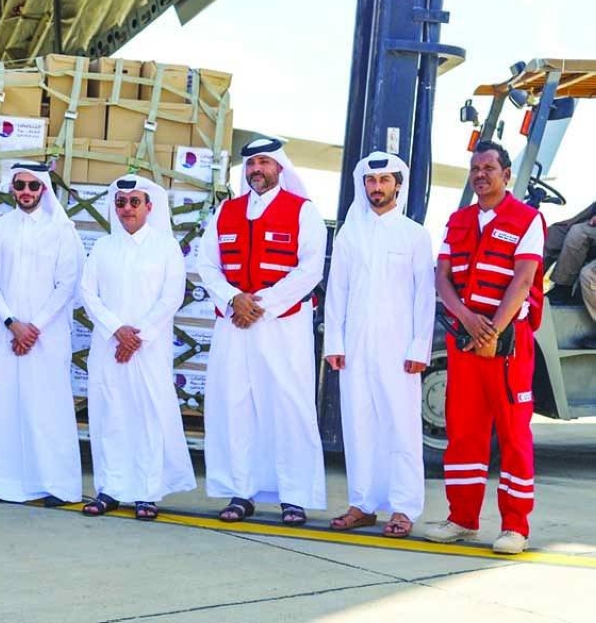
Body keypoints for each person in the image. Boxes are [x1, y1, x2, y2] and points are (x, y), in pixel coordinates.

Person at [197, 137, 327, 526]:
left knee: (289, 407)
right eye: (251, 164)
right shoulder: (227, 211)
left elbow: (309, 270)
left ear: (280, 168)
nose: (257, 170)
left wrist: (260, 305)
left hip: (282, 326)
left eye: (265, 163)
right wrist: (235, 299)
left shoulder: (303, 211)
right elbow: (207, 265)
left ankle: (294, 497)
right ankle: (241, 492)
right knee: (234, 406)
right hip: (234, 325)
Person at [424, 140, 546, 555]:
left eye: (489, 167)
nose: (480, 174)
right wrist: (467, 319)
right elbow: (442, 278)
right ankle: (462, 519)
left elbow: (524, 280)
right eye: (475, 168)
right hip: (466, 340)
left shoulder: (528, 218)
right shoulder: (457, 221)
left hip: (507, 345)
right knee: (463, 430)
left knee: (513, 434)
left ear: (506, 174)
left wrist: (492, 329)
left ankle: (515, 526)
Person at [323, 152, 435, 538]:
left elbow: (425, 297)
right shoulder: (349, 234)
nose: (377, 188)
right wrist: (334, 341)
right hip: (354, 349)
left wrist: (420, 347)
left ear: (397, 185)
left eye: (384, 181)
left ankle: (403, 508)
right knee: (359, 425)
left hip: (399, 349)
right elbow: (337, 292)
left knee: (401, 427)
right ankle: (363, 504)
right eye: (371, 182)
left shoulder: (415, 235)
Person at [79, 174, 195, 520]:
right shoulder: (103, 246)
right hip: (109, 346)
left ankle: (146, 493)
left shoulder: (165, 246)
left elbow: (171, 297)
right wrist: (118, 331)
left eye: (134, 202)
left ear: (149, 207)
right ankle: (110, 489)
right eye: (120, 202)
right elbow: (88, 293)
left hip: (149, 348)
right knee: (109, 415)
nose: (126, 208)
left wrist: (137, 337)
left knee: (148, 417)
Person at [0, 162, 84, 507]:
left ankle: (55, 485)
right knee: (1, 402)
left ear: (44, 190)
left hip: (47, 336)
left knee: (47, 407)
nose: (26, 192)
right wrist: (11, 323)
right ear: (12, 188)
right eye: (20, 185)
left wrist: (34, 327)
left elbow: (68, 284)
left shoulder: (63, 232)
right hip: (7, 334)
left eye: (33, 186)